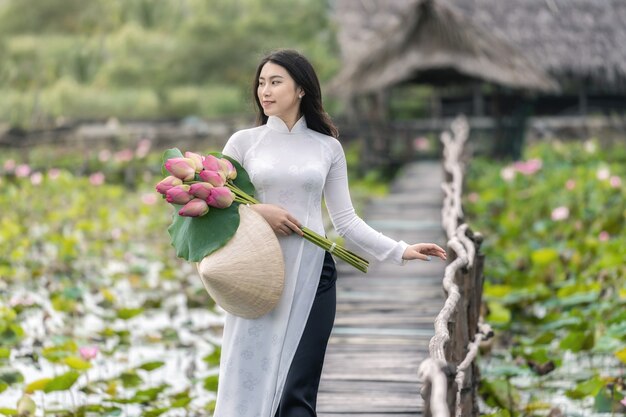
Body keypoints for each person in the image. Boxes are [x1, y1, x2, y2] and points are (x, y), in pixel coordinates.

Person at [217, 49, 447, 417]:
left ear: (301, 89)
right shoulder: (243, 143)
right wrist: (258, 211)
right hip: (257, 274)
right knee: (251, 377)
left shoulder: (327, 147)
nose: (265, 90)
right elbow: (219, 205)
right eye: (261, 82)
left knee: (298, 389)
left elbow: (346, 221)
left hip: (313, 274)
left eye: (276, 81)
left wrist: (400, 250)